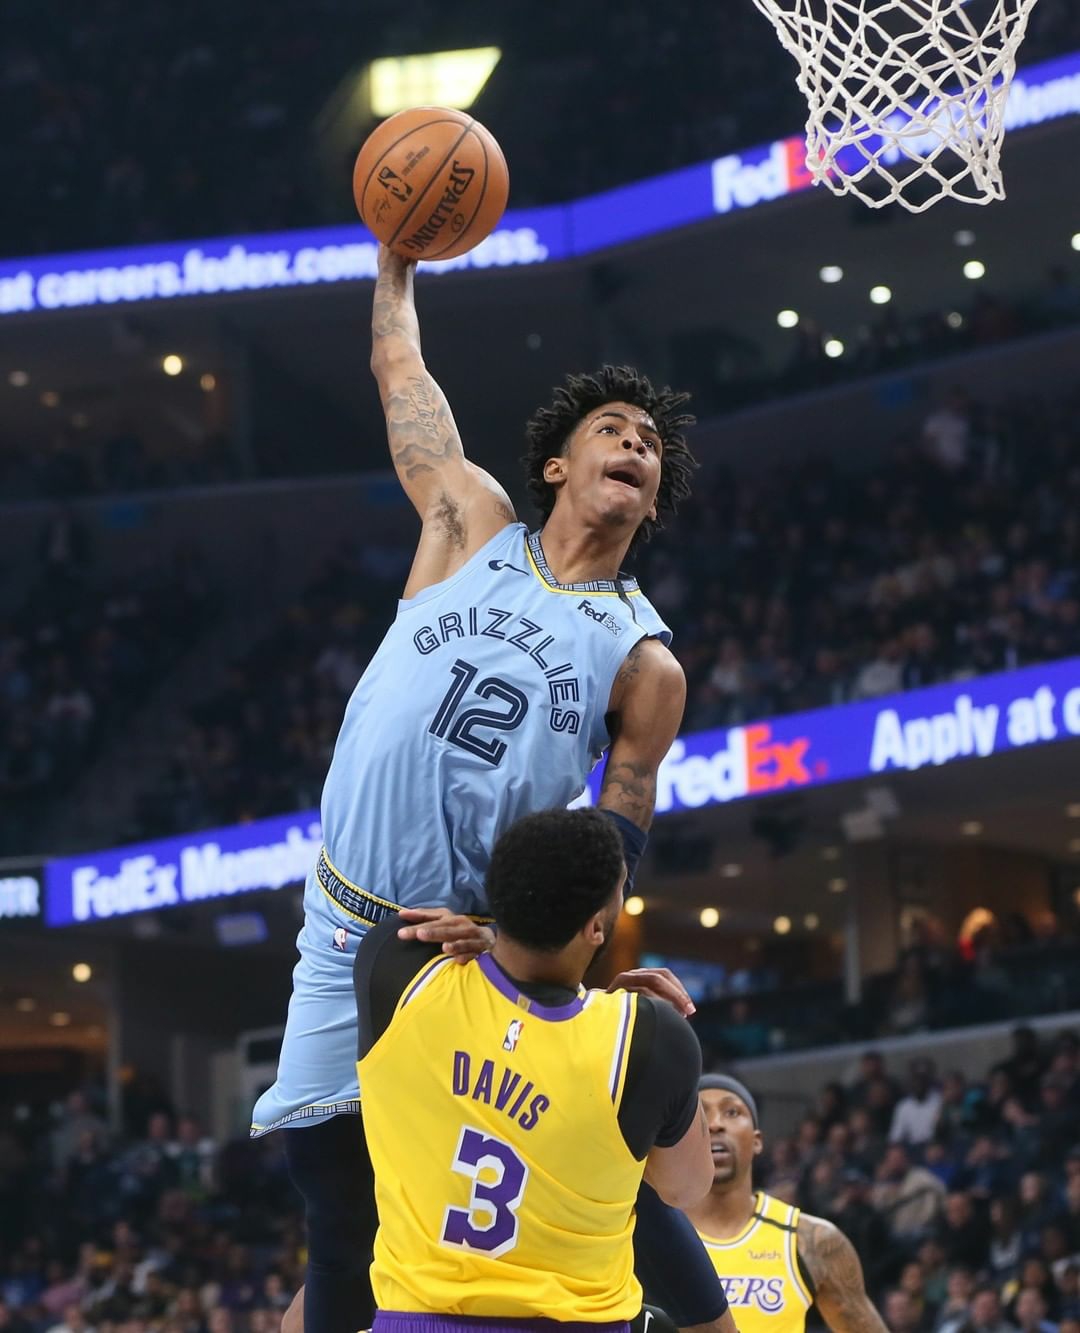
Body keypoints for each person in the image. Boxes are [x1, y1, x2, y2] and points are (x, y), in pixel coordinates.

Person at [253, 246, 725, 1333]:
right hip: (341, 916)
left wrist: (562, 950)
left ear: (654, 499)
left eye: (651, 444)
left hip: (467, 943)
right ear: (557, 463)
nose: (636, 445)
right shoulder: (467, 523)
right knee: (336, 1203)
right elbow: (400, 374)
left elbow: (615, 833)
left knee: (573, 1170)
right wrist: (395, 263)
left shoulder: (645, 661)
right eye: (613, 429)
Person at [355, 808, 727, 1333]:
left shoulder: (399, 969)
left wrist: (491, 943)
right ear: (595, 927)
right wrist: (667, 1057)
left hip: (418, 1320)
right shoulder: (647, 1038)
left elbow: (508, 986)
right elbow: (685, 1189)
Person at [685, 1074, 888, 1333]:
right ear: (679, 1140)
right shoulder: (647, 1239)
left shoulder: (813, 1241)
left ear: (757, 1141)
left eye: (732, 1112)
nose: (715, 1124)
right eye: (701, 1114)